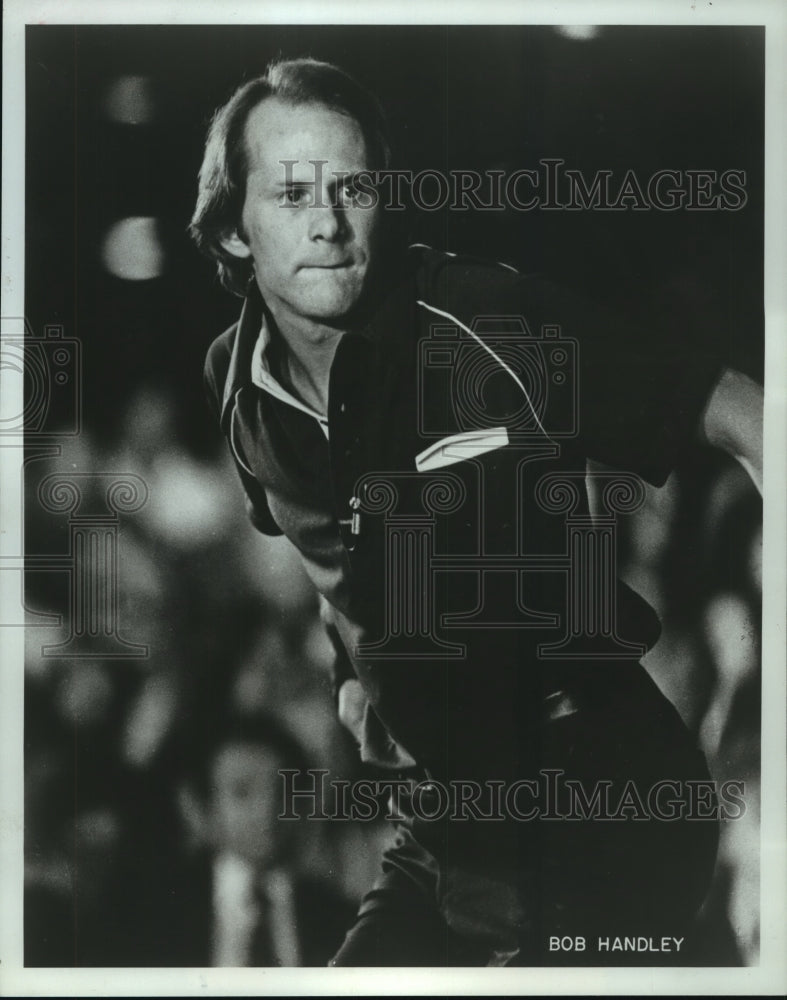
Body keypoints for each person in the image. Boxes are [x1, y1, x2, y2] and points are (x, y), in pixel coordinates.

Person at [190, 58, 763, 966]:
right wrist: (352, 673)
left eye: (354, 189)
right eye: (293, 194)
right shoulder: (235, 389)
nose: (331, 223)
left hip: (604, 791)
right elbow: (324, 551)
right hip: (449, 817)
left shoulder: (480, 319)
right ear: (232, 230)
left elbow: (738, 410)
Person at [161, 710, 356, 967]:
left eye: (281, 790)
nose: (266, 810)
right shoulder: (160, 911)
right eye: (242, 792)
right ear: (205, 808)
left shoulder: (342, 919)